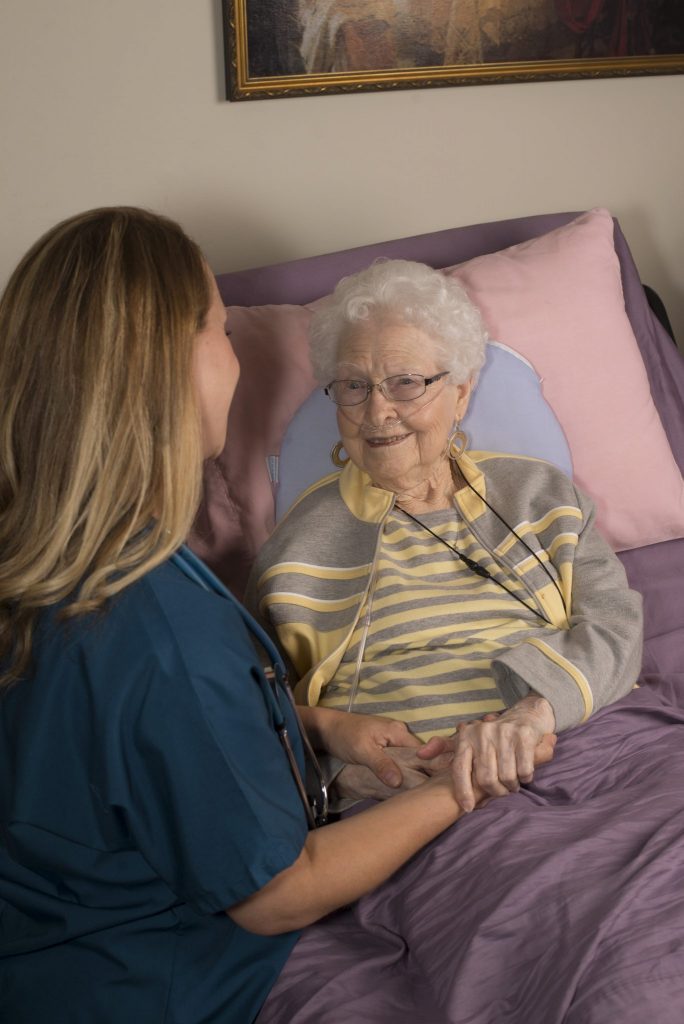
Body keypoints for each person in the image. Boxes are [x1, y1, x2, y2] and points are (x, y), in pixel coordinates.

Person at [0, 211, 551, 1024]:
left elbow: (121, 736)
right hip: (143, 983)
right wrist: (458, 786)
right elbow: (276, 894)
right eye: (220, 330)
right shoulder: (162, 626)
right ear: (167, 372)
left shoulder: (51, 555)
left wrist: (316, 724)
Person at [246, 258, 643, 811]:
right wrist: (345, 777)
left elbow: (617, 626)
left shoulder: (540, 495)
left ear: (460, 392)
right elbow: (255, 716)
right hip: (413, 799)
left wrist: (531, 714)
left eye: (406, 383)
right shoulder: (293, 549)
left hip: (581, 750)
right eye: (354, 386)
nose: (377, 411)